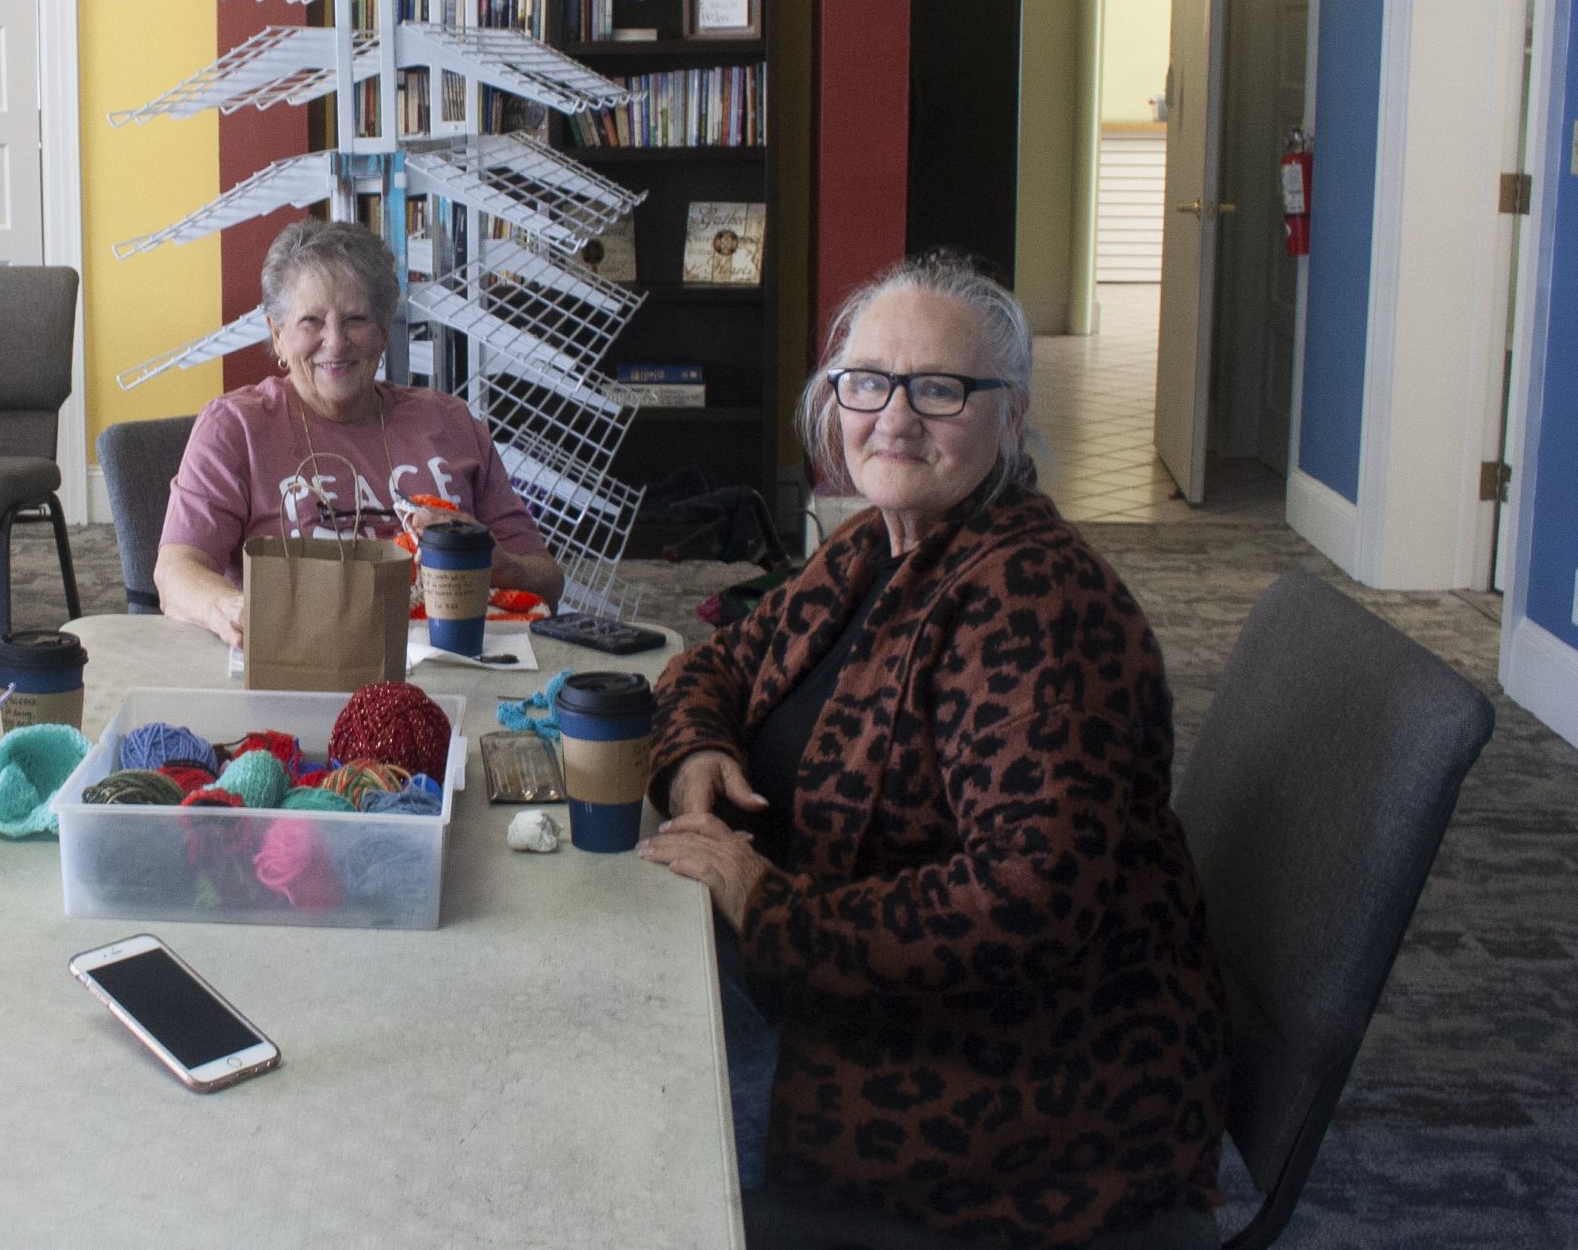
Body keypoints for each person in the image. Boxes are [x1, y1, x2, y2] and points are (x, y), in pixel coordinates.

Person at [637, 251, 1228, 1247]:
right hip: (857, 998)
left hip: (1016, 1092)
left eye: (940, 389)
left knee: (617, 1145)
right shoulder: (872, 543)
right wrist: (697, 751)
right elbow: (717, 662)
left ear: (1012, 412)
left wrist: (761, 898)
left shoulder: (1033, 604)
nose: (894, 416)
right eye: (865, 383)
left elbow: (1024, 901)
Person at [155, 217, 563, 646]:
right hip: (303, 661)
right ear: (278, 335)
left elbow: (547, 581)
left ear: (383, 333)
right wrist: (233, 608)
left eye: (355, 319)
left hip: (450, 668)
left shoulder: (452, 422)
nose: (335, 342)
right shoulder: (234, 427)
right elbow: (176, 573)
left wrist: (496, 564)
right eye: (311, 321)